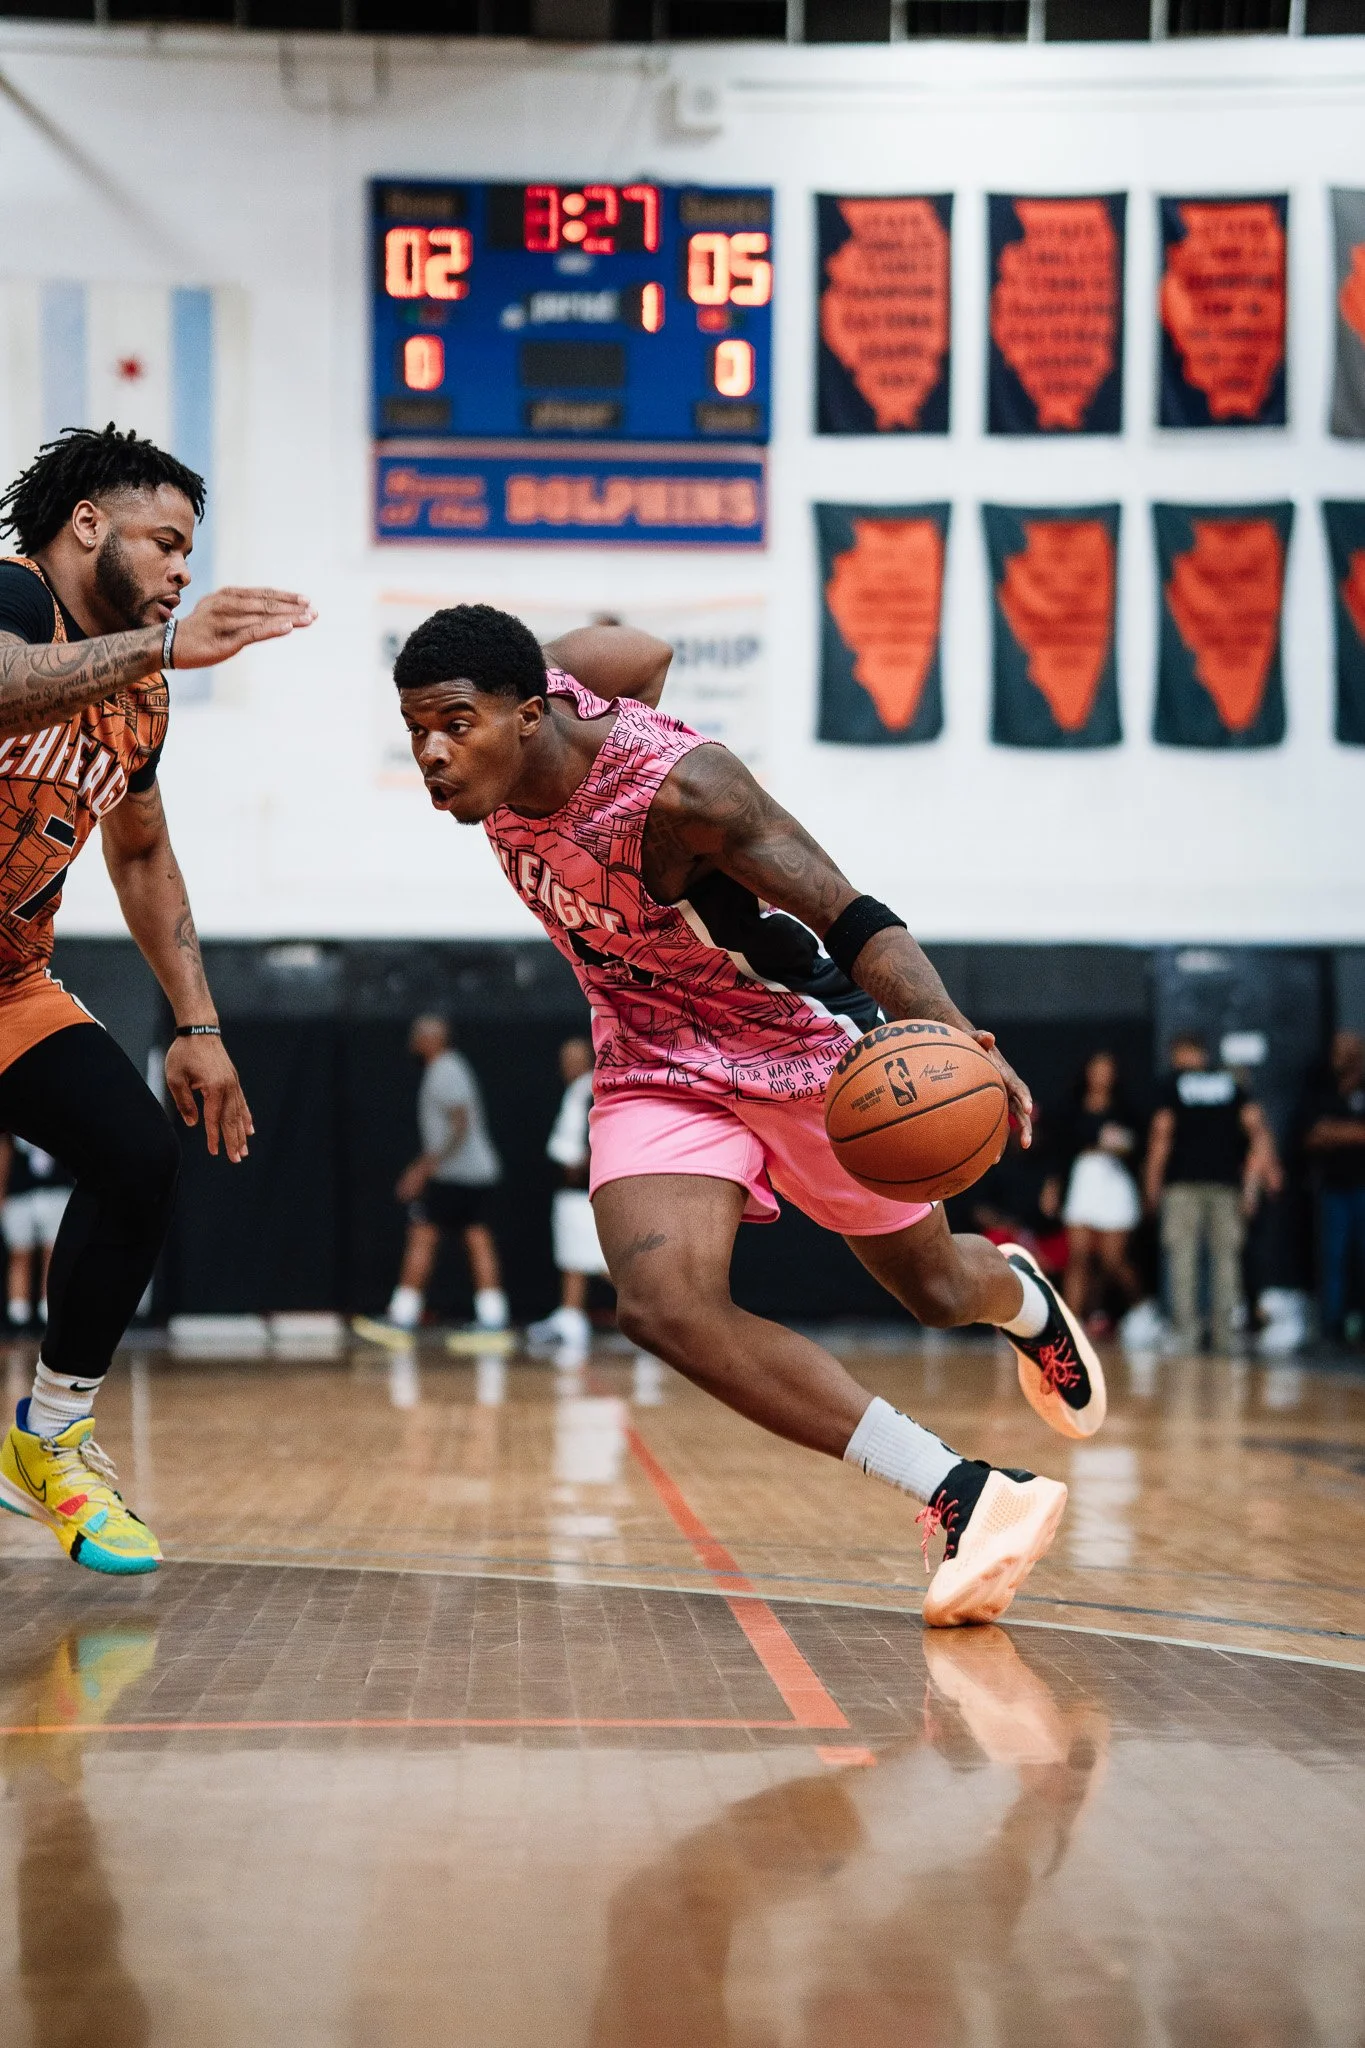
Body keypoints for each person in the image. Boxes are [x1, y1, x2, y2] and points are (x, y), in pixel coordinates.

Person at [393, 605, 1111, 1629]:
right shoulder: (531, 713)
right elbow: (634, 645)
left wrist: (955, 1032)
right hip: (652, 1055)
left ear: (528, 713)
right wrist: (498, 682)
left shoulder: (690, 793)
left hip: (807, 1048)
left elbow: (850, 913)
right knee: (661, 1304)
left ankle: (1021, 1297)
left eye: (454, 723)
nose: (430, 752)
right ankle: (965, 1492)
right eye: (416, 727)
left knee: (942, 1289)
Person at [0, 424, 314, 1575]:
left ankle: (50, 1436)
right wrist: (169, 647)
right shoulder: (15, 600)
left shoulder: (138, 688)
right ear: (89, 525)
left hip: (10, 984)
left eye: (191, 552)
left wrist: (199, 1024)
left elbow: (141, 856)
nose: (184, 569)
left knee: (137, 1156)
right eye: (165, 542)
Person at [357, 1014, 507, 1341]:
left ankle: (402, 1317)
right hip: (473, 1173)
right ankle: (494, 1319)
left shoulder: (446, 1070)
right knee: (476, 1238)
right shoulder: (450, 1067)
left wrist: (422, 1169)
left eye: (417, 1034)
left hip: (455, 1174)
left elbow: (460, 1122)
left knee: (423, 1236)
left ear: (433, 1038)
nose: (412, 1040)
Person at [1143, 1033, 1282, 1354]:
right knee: (1226, 1261)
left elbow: (1162, 1135)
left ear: (1180, 1052)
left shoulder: (1174, 1083)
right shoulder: (1229, 1082)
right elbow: (1256, 1128)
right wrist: (1265, 1175)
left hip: (1182, 1184)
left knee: (1182, 1259)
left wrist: (1152, 1185)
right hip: (1225, 1183)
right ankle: (1225, 1336)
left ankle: (1186, 1334)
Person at [1043, 1050, 1142, 1334]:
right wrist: (1053, 1187)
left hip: (1115, 1181)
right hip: (1084, 1182)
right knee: (1079, 1255)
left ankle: (1140, 1308)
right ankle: (1072, 1321)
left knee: (1113, 1259)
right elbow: (1060, 1151)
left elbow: (1138, 1146)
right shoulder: (1072, 1107)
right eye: (1097, 1069)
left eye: (1107, 1069)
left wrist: (1121, 1145)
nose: (1102, 1075)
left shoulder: (1125, 1108)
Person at [527, 1035, 609, 1359]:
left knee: (600, 1259)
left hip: (584, 1187)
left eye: (574, 1057)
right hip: (571, 1189)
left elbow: (598, 1133)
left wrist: (585, 1165)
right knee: (574, 1256)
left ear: (587, 1057)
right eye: (564, 1058)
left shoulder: (591, 1088)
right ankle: (571, 1317)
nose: (567, 1064)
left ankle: (653, 1306)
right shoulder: (576, 1089)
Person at [1302, 1028, 1365, 1343]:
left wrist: (1335, 1132)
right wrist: (1353, 1133)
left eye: (1349, 1050)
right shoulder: (1323, 1091)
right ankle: (1333, 1328)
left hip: (1362, 1186)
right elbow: (1312, 1135)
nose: (1342, 1056)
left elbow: (1328, 1132)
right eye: (1338, 1050)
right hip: (1334, 1187)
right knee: (1334, 1258)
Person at [0, 1133, 73, 1328]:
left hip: (56, 1190)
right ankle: (18, 1318)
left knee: (53, 1256)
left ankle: (49, 1316)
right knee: (19, 1255)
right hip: (20, 1193)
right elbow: (4, 1150)